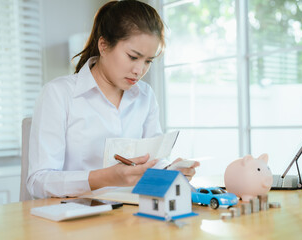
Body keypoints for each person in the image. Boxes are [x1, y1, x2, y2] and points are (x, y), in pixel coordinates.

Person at [27, 0, 199, 199]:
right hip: (73, 218)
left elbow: (154, 159)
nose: (139, 70)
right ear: (104, 45)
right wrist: (105, 177)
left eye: (148, 61)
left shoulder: (145, 95)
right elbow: (38, 182)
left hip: (130, 216)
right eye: (133, 57)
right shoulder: (58, 94)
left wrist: (170, 171)